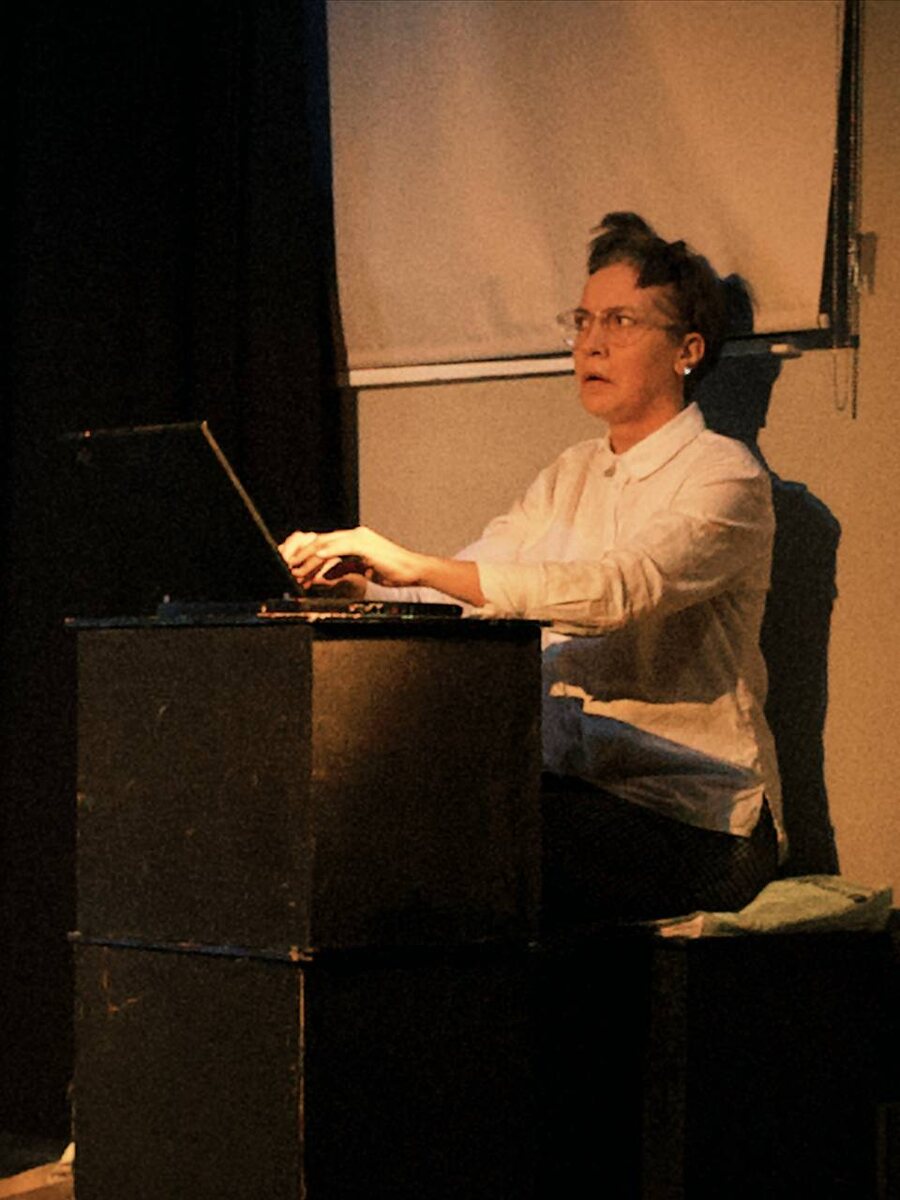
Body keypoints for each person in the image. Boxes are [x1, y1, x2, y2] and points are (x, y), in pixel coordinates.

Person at [281, 212, 782, 923]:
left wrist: (415, 563)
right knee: (381, 803)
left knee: (468, 841)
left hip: (696, 820)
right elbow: (476, 586)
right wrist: (362, 579)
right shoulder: (570, 475)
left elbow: (618, 592)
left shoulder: (726, 478)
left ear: (687, 350)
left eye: (620, 322)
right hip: (574, 794)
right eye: (583, 321)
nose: (592, 344)